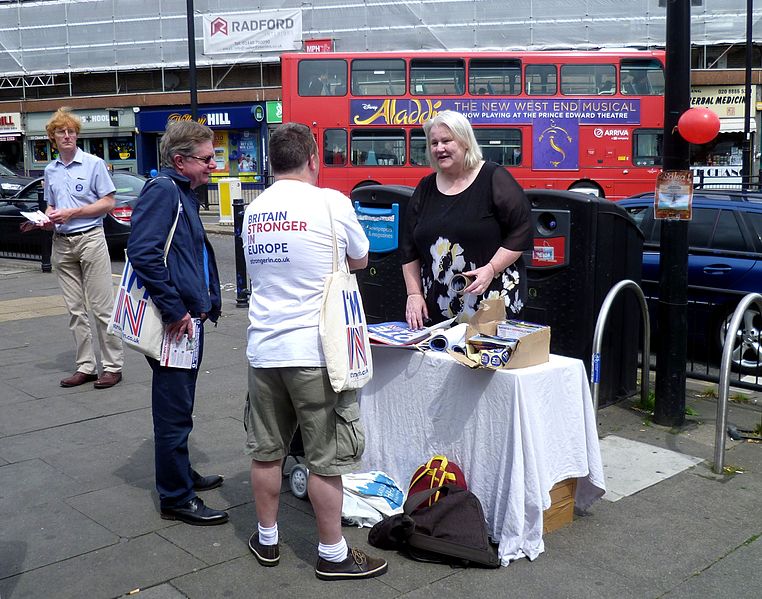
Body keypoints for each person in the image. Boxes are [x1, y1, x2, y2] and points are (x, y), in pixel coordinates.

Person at [242, 122, 387, 581]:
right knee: (326, 458)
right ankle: (332, 553)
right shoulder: (331, 203)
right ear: (313, 160)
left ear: (271, 163)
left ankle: (267, 540)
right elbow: (361, 258)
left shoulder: (253, 210)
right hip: (317, 352)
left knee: (266, 452)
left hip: (264, 351)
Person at [126, 120, 227, 526]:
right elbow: (143, 252)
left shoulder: (181, 191)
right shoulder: (164, 191)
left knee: (181, 406)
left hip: (187, 319)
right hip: (177, 323)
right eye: (206, 159)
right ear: (180, 160)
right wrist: (174, 310)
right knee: (173, 411)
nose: (213, 166)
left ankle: (181, 475)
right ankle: (175, 497)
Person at [401, 110, 532, 329]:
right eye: (434, 143)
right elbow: (408, 248)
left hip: (492, 309)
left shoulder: (493, 177)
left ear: (465, 142)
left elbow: (522, 230)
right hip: (438, 316)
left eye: (446, 141)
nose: (439, 148)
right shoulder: (425, 187)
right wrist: (413, 294)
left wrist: (491, 268)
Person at [33, 108, 125, 389]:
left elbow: (108, 202)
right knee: (74, 309)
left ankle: (112, 366)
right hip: (61, 242)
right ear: (53, 138)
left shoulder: (94, 164)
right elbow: (52, 204)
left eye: (71, 131)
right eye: (62, 132)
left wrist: (74, 213)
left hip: (90, 238)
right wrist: (47, 218)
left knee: (101, 307)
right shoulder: (50, 169)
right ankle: (85, 366)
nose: (68, 135)